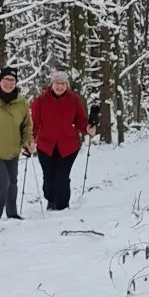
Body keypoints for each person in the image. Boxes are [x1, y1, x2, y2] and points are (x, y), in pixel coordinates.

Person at [30, 67, 94, 211]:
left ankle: (63, 207)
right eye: (57, 83)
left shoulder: (74, 100)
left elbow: (81, 120)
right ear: (52, 84)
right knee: (49, 178)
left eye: (63, 83)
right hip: (46, 145)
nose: (59, 86)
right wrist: (31, 140)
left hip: (68, 145)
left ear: (67, 85)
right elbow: (35, 123)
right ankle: (51, 200)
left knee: (62, 177)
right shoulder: (40, 101)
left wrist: (87, 129)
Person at [0, 66, 33, 221]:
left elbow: (26, 125)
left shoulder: (21, 103)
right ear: (0, 80)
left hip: (12, 150)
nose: (9, 83)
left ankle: (12, 213)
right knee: (3, 182)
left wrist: (28, 142)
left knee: (13, 182)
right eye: (6, 79)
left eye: (12, 80)